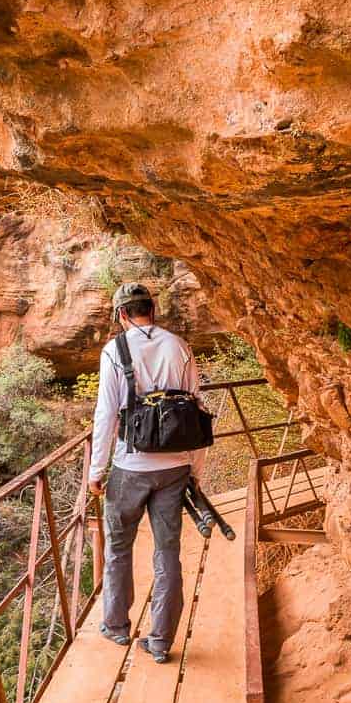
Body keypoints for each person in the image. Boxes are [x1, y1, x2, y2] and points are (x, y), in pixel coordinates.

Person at [88, 282, 206, 664]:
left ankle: (117, 626)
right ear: (151, 309)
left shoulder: (115, 350)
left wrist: (96, 470)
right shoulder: (180, 346)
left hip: (130, 465)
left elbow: (106, 414)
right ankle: (160, 641)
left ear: (121, 314)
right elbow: (196, 411)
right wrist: (195, 471)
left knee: (119, 547)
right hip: (175, 467)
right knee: (167, 551)